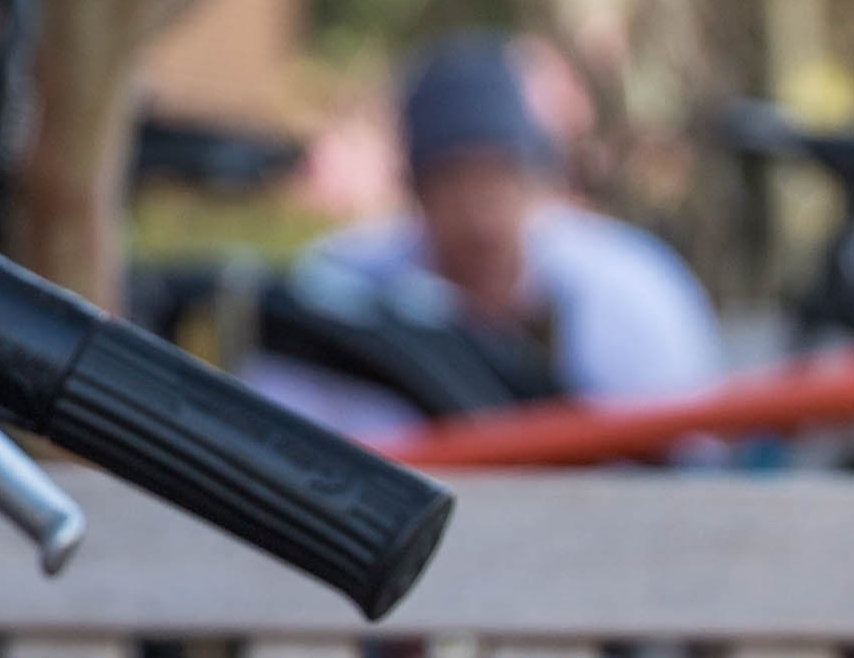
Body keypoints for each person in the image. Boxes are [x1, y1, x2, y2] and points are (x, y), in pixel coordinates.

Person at [306, 33, 728, 414]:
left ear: (535, 180)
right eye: (453, 182)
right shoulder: (343, 292)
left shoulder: (628, 288)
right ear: (416, 190)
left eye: (497, 178)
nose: (478, 213)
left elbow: (683, 450)